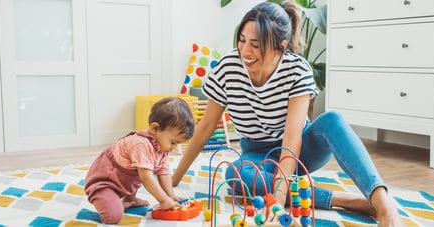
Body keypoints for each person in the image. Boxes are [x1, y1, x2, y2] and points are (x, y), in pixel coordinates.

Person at [172, 1, 404, 226]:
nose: (245, 50)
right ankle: (345, 201)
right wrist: (175, 178)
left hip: (300, 148)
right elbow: (206, 126)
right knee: (237, 174)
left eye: (256, 43)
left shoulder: (297, 70)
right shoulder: (227, 67)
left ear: (280, 46)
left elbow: (293, 138)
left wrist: (279, 197)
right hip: (257, 152)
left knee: (333, 120)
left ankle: (383, 204)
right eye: (242, 40)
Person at [85, 97, 195, 224]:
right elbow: (146, 178)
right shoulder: (140, 144)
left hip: (124, 182)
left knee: (135, 174)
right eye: (173, 142)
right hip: (104, 183)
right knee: (113, 217)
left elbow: (164, 172)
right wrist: (163, 200)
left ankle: (129, 200)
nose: (174, 148)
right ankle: (104, 199)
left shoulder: (161, 147)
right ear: (154, 128)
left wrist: (170, 196)